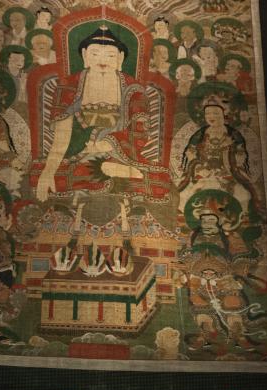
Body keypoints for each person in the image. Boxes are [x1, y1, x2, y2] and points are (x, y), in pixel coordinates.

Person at [32, 25, 173, 243]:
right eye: (95, 53)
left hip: (121, 153)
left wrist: (108, 143)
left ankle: (116, 170)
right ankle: (112, 173)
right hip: (79, 152)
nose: (102, 59)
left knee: (161, 182)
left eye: (110, 54)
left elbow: (139, 130)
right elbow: (62, 134)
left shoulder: (133, 88)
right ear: (85, 56)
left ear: (121, 57)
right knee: (37, 177)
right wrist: (48, 171)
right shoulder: (70, 85)